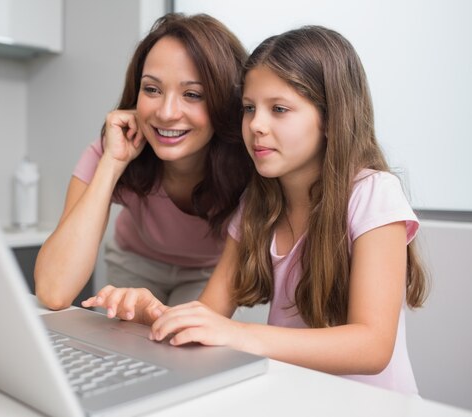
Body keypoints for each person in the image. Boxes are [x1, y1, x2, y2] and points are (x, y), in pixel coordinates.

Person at [82, 25, 429, 395]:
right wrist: (155, 312)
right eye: (249, 108)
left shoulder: (373, 194)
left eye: (279, 109)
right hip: (296, 397)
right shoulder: (258, 204)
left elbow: (371, 347)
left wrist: (238, 334)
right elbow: (210, 318)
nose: (256, 125)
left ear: (331, 118)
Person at [34, 13, 253, 310]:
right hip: (134, 262)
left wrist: (156, 319)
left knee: (185, 352)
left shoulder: (248, 166)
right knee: (120, 350)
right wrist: (111, 163)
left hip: (208, 271)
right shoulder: (112, 147)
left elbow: (202, 326)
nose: (166, 112)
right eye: (152, 89)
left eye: (192, 94)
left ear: (225, 101)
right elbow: (52, 290)